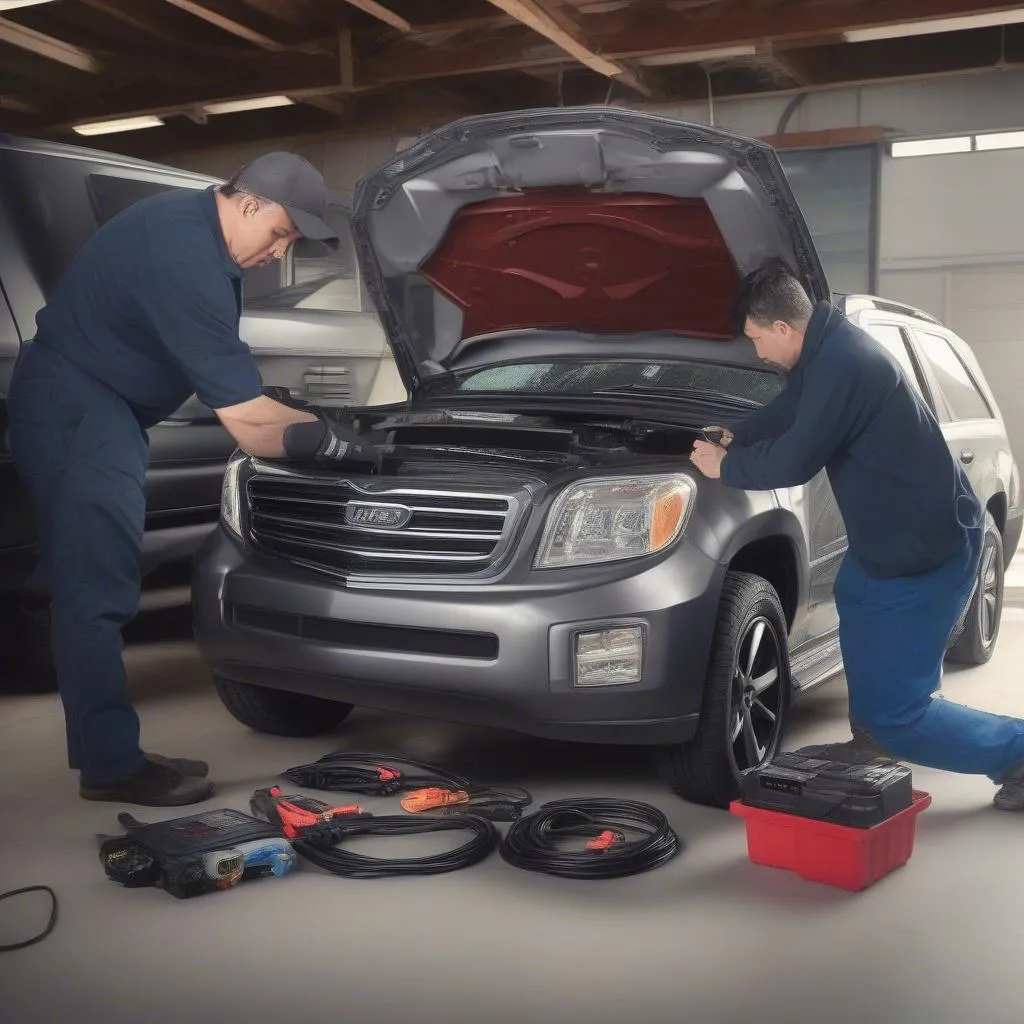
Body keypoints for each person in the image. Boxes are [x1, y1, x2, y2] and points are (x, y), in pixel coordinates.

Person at [7, 152, 382, 807]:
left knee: (90, 574)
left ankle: (110, 746)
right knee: (95, 589)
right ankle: (110, 765)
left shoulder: (195, 234)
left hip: (98, 404)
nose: (282, 249)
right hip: (79, 406)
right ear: (249, 203)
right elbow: (249, 424)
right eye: (281, 232)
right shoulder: (186, 259)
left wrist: (310, 418)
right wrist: (341, 448)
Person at [688, 257, 1024, 811]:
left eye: (755, 339)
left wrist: (726, 468)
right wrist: (738, 436)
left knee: (904, 713)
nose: (756, 353)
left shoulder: (845, 362)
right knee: (855, 598)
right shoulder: (823, 352)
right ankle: (871, 742)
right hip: (884, 546)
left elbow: (795, 458)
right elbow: (789, 413)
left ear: (782, 328)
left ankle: (1011, 752)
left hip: (924, 554)